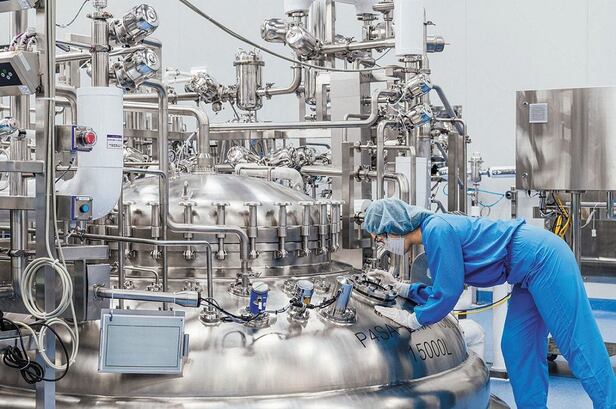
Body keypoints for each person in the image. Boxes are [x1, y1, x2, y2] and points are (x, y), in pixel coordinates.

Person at [364, 198, 616, 409]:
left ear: (392, 227)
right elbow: (443, 286)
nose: (383, 245)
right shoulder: (433, 234)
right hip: (524, 274)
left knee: (577, 343)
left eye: (380, 239)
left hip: (544, 258)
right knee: (517, 345)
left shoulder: (437, 230)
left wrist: (414, 319)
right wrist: (401, 288)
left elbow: (447, 293)